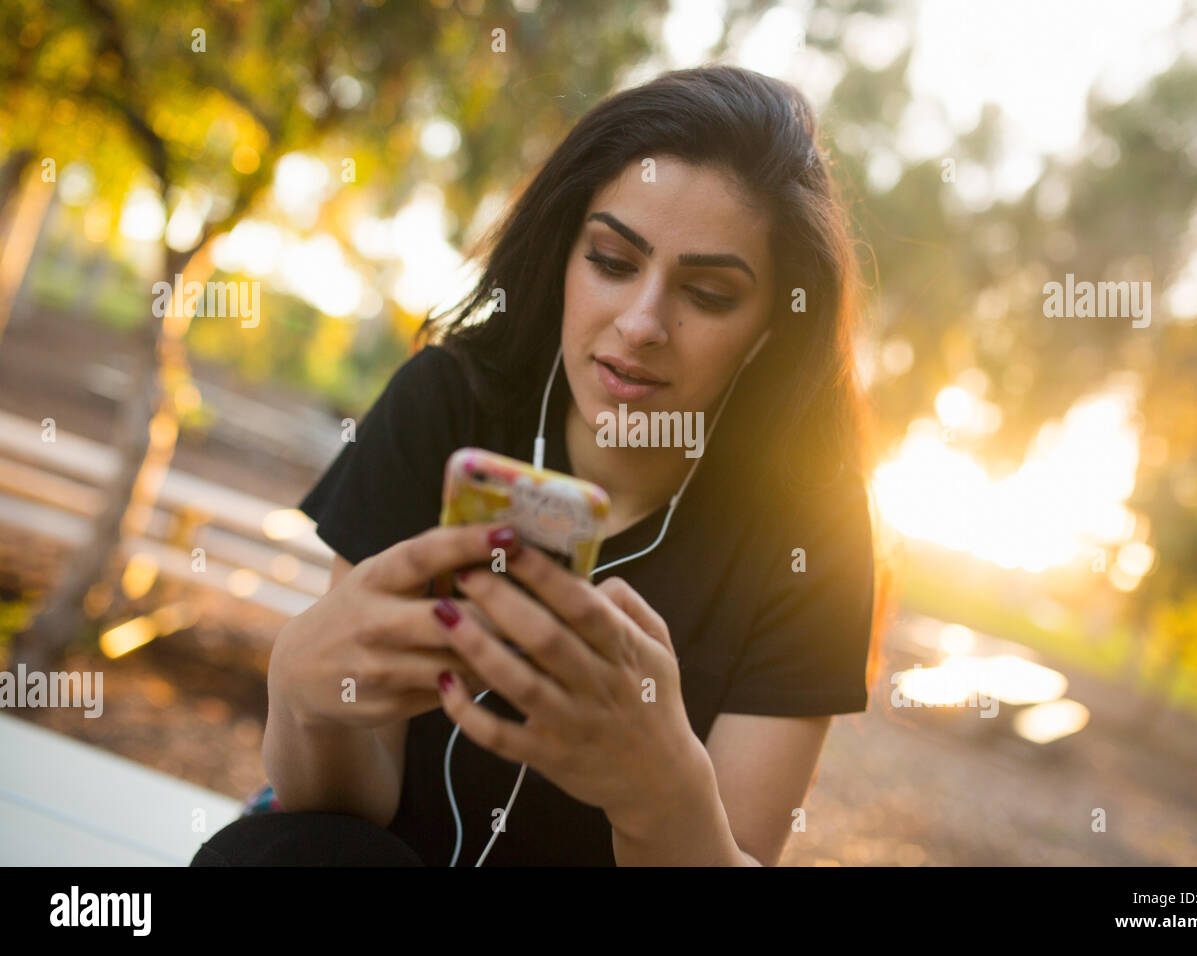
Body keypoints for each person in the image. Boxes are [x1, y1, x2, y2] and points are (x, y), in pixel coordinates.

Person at [192, 63, 882, 867]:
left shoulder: (815, 533)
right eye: (613, 261)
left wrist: (660, 790)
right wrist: (303, 699)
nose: (642, 321)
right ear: (565, 254)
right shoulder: (447, 403)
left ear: (771, 328)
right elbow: (343, 815)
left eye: (709, 295)